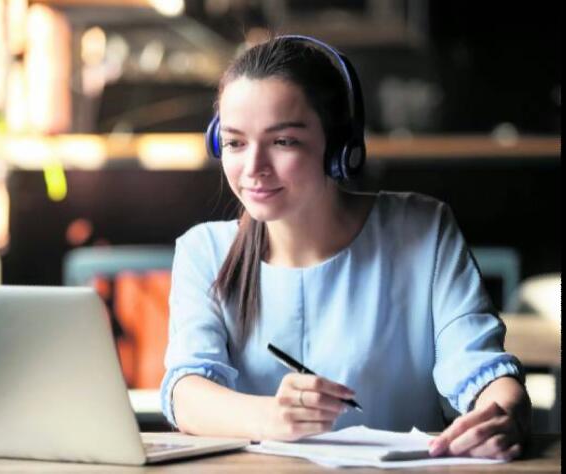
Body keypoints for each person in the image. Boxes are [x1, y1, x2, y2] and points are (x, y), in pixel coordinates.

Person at [160, 35, 531, 460]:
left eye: (284, 141)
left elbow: (479, 367)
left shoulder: (423, 231)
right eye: (235, 143)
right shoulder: (203, 251)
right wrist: (274, 418)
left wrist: (505, 410)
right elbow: (187, 392)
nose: (253, 168)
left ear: (339, 147)